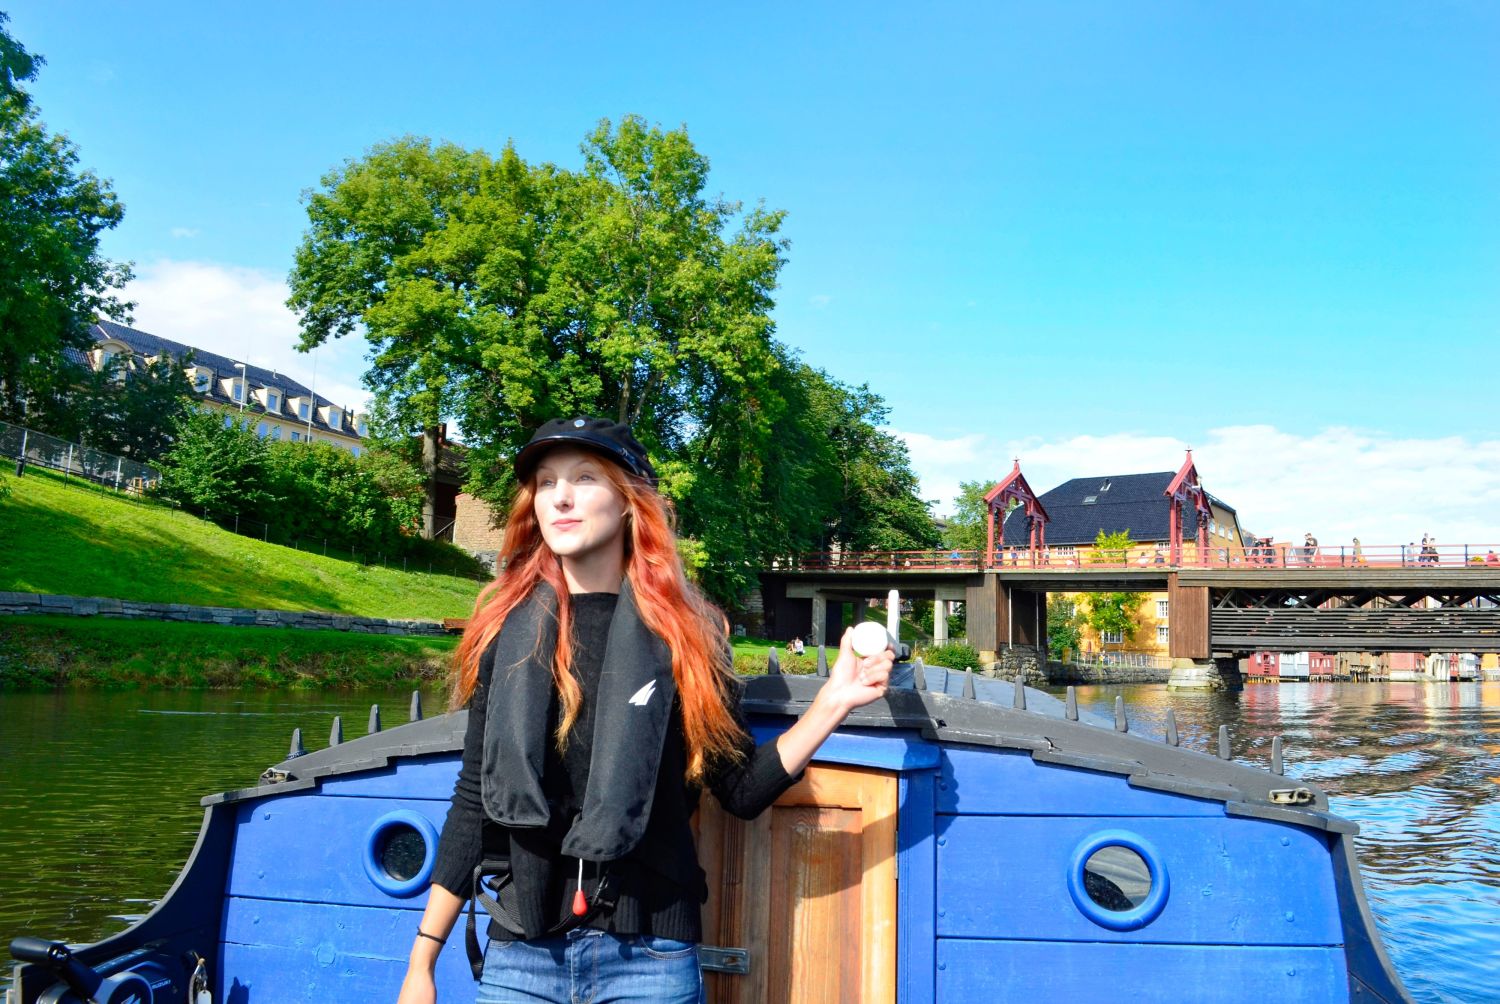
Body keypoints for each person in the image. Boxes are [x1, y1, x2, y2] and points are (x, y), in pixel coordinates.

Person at [397, 417, 893, 1004]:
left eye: (585, 478)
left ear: (631, 503)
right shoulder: (506, 633)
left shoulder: (688, 637)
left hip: (650, 960)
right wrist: (421, 961)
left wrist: (835, 700)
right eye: (547, 481)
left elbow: (739, 790)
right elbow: (474, 803)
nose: (560, 496)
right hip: (520, 956)